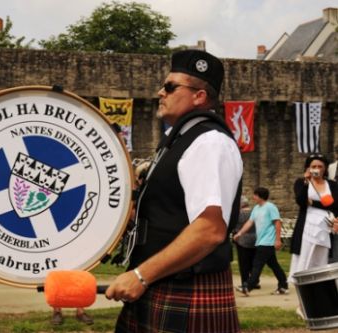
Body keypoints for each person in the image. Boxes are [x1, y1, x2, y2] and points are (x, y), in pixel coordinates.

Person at [106, 49, 243, 332]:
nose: (160, 92)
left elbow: (209, 229)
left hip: (187, 287)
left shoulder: (209, 143)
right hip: (163, 283)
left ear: (199, 96)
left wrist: (141, 276)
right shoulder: (178, 141)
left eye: (170, 86)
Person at [288, 154, 338, 315]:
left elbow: (336, 205)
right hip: (307, 229)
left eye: (319, 167)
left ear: (325, 169)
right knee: (304, 265)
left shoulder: (332, 184)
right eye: (313, 166)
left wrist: (314, 202)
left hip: (325, 229)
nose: (316, 169)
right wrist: (306, 182)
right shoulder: (301, 183)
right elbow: (301, 201)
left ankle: (319, 305)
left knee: (320, 265)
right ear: (308, 168)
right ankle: (302, 305)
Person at [233, 187, 288, 296]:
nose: (253, 197)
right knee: (274, 265)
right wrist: (239, 233)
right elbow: (249, 223)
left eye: (255, 195)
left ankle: (248, 287)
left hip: (267, 241)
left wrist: (277, 240)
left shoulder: (270, 207)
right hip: (260, 241)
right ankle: (283, 286)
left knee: (257, 265)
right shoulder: (256, 209)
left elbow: (277, 223)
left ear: (260, 196)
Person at [232, 195, 259, 291]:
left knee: (243, 263)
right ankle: (255, 281)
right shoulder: (254, 212)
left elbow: (233, 225)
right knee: (253, 261)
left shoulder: (238, 214)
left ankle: (245, 282)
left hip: (242, 239)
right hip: (255, 238)